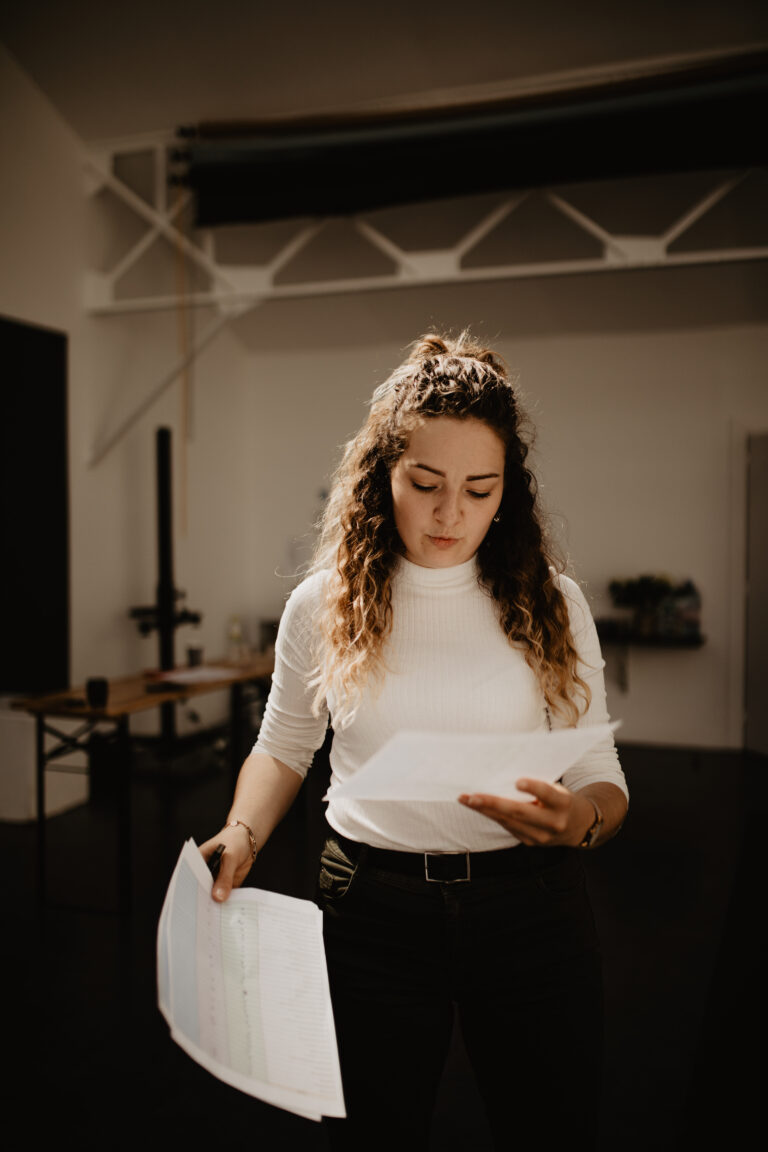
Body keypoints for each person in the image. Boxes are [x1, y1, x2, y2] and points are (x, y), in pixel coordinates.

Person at [200, 332, 628, 1151]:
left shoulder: (553, 602)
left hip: (530, 908)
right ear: (382, 475)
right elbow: (287, 742)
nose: (449, 514)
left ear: (510, 491)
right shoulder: (324, 603)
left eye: (479, 489)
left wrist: (582, 821)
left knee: (552, 1127)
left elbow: (598, 771)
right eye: (425, 483)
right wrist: (244, 830)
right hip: (371, 910)